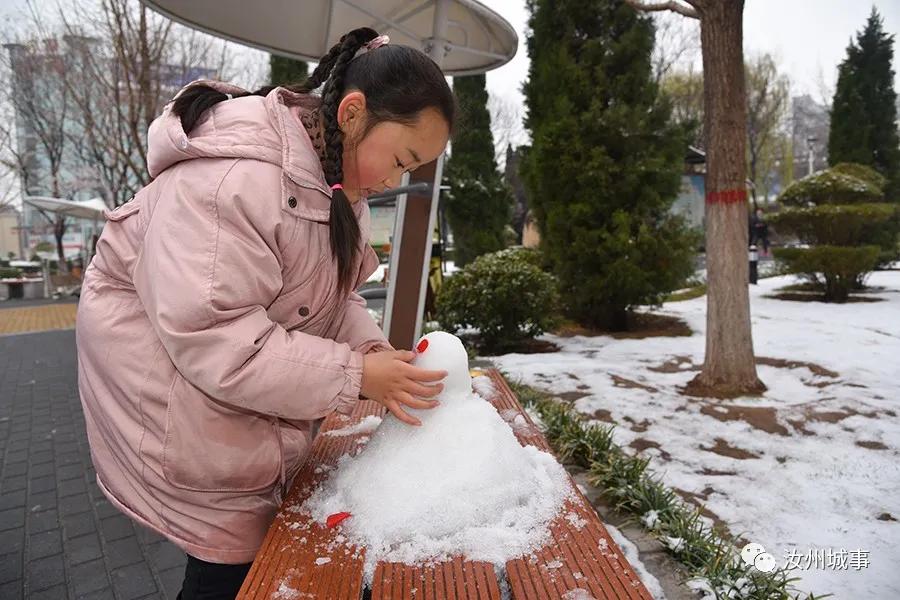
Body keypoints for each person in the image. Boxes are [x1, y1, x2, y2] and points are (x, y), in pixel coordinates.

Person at [75, 27, 455, 600]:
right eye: (402, 160)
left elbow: (334, 299)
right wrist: (355, 376)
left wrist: (370, 349)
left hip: (232, 408)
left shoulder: (332, 181)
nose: (396, 181)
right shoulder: (233, 181)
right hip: (179, 405)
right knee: (233, 567)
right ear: (353, 113)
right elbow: (217, 338)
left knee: (256, 561)